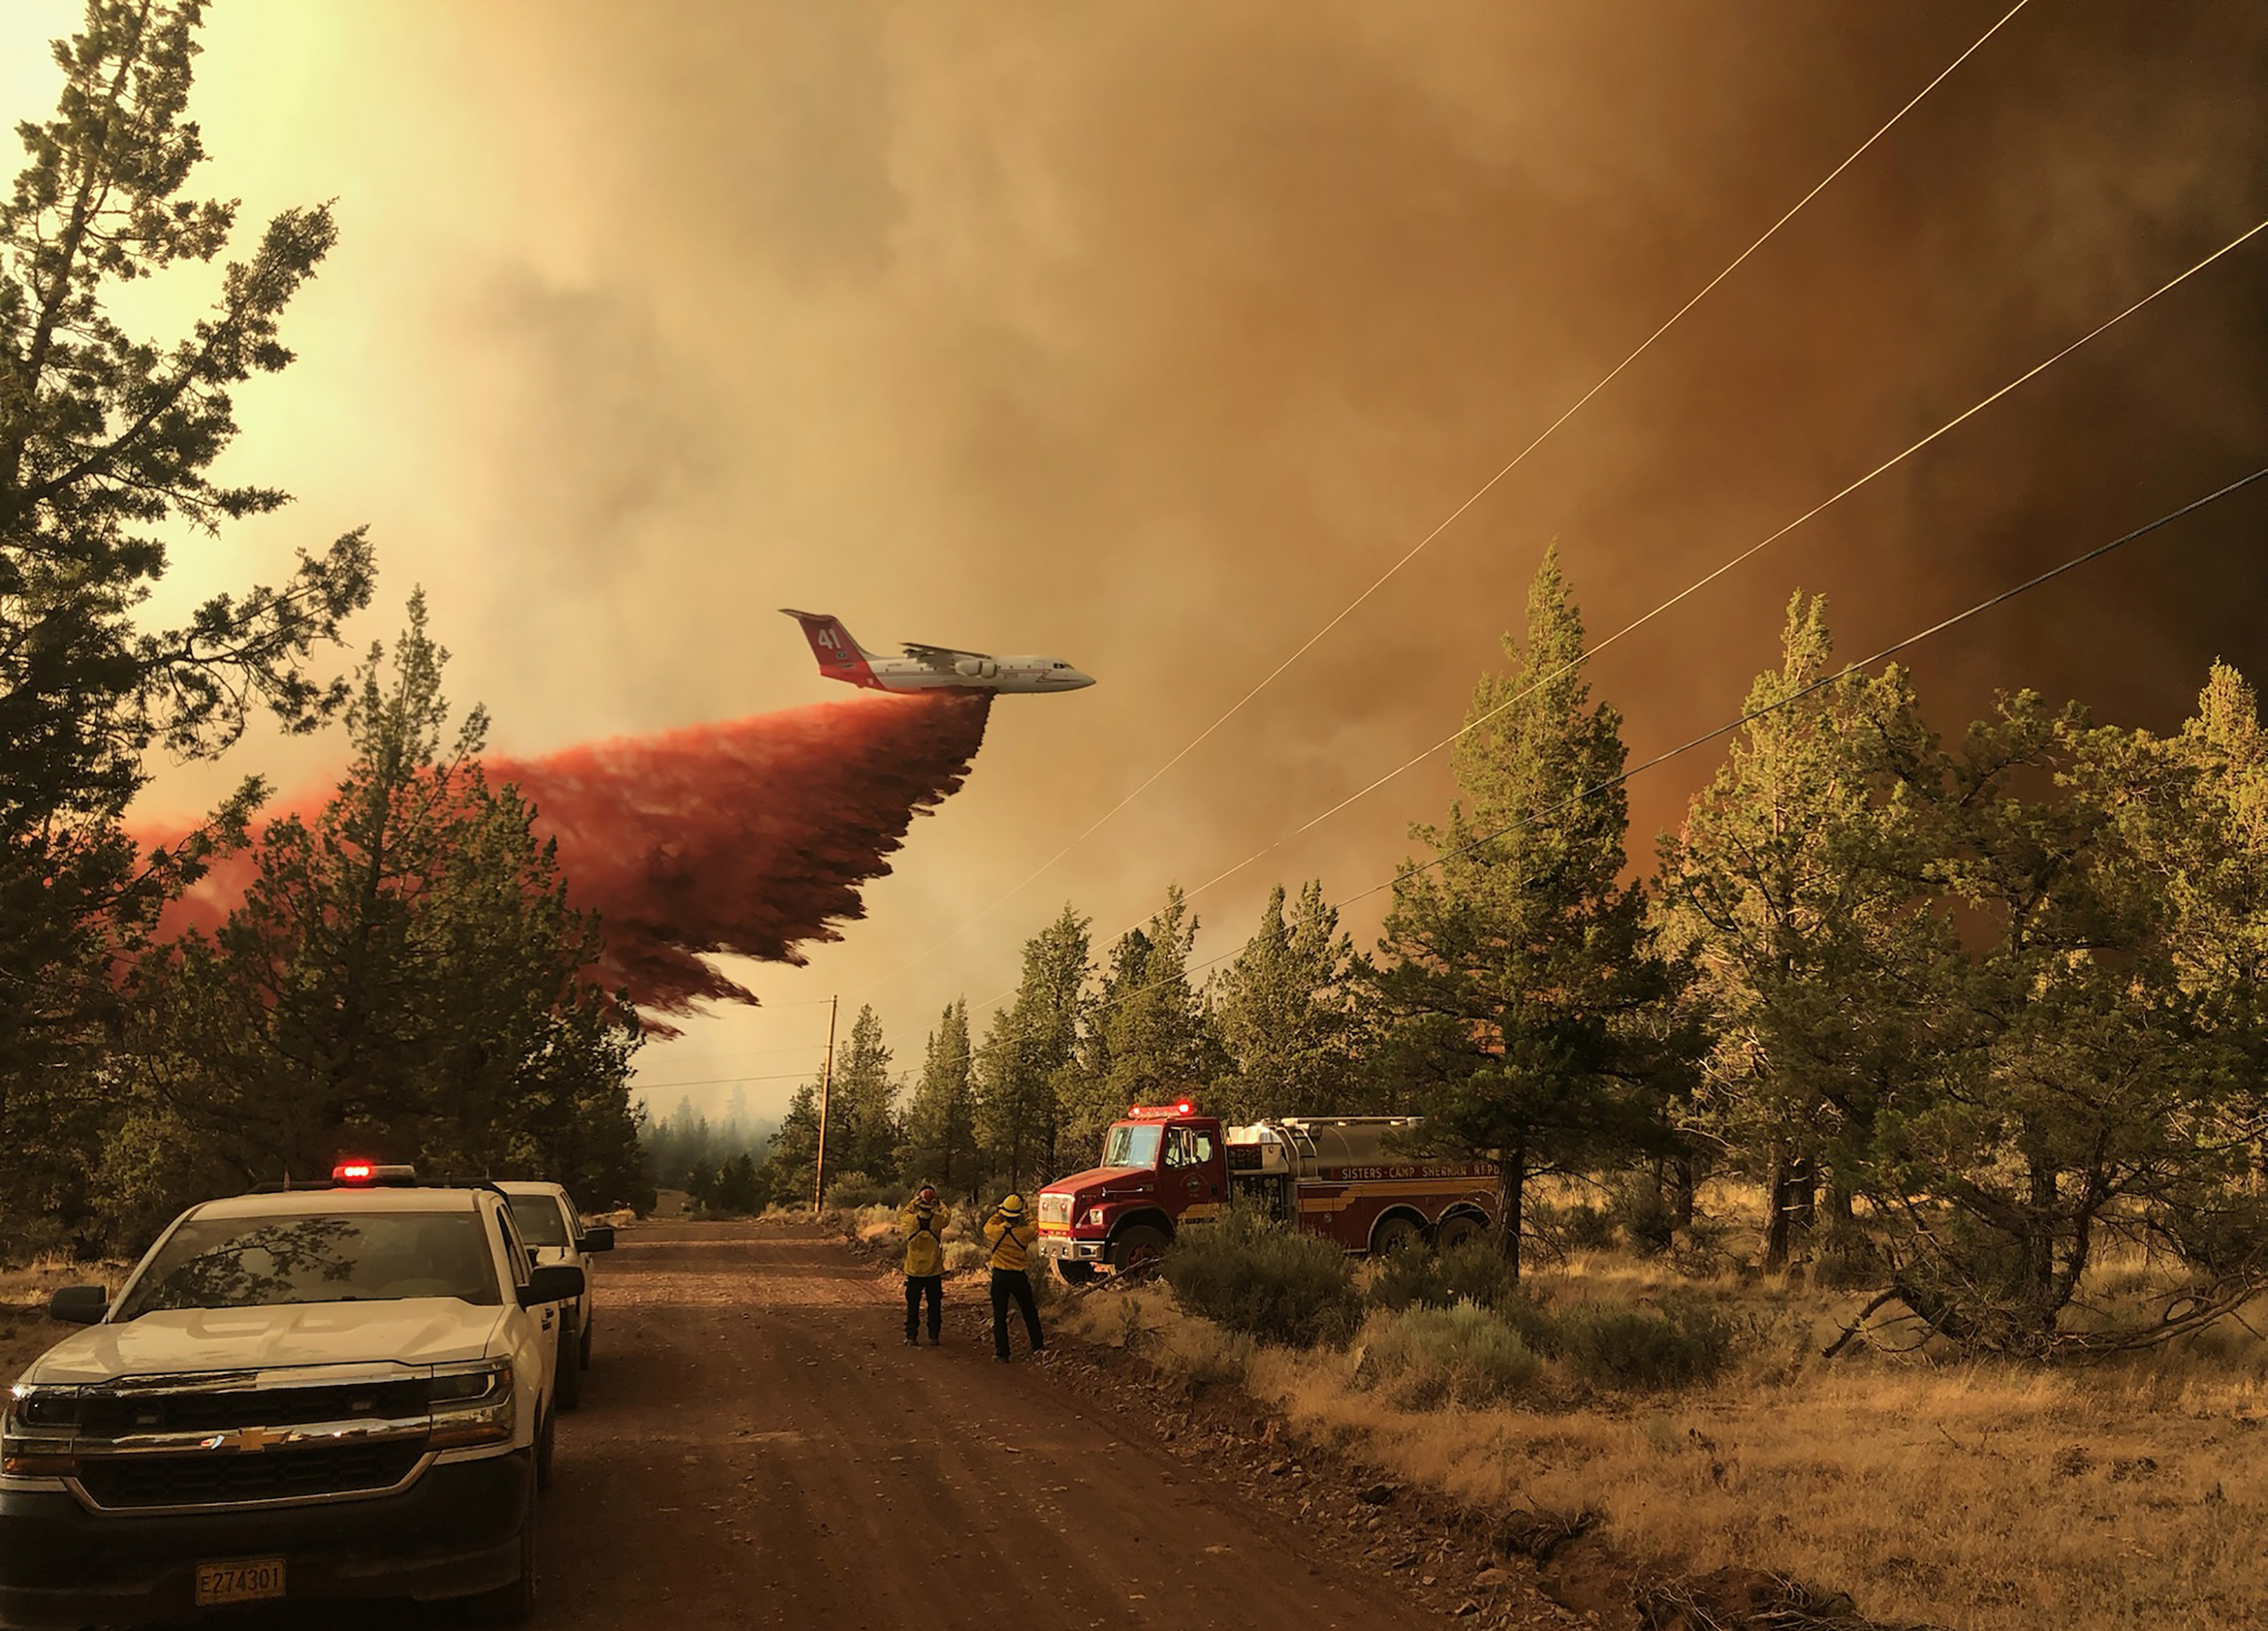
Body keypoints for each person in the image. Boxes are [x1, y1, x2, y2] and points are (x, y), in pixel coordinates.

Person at [983, 1193, 1044, 1363]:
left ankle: (1002, 1353)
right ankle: (1037, 1344)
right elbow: (1035, 1227)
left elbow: (987, 1225)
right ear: (1019, 1215)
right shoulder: (1023, 1233)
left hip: (1000, 1276)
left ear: (1004, 1214)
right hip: (1018, 1277)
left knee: (999, 1315)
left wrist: (999, 1212)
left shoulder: (994, 1231)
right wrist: (1027, 1212)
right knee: (1029, 1310)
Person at [899, 1184, 947, 1346]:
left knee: (912, 1305)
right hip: (934, 1271)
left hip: (914, 1271)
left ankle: (911, 1336)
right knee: (934, 1305)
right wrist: (939, 1202)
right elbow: (947, 1215)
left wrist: (915, 1200)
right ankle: (934, 1336)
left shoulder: (911, 1221)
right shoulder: (938, 1221)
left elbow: (903, 1213)